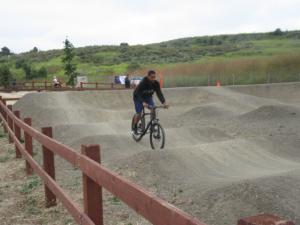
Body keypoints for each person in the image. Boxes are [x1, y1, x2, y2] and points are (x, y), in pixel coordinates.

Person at [132, 70, 169, 134]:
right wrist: (143, 102)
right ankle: (135, 127)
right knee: (139, 113)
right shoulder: (143, 83)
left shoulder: (156, 83)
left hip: (148, 97)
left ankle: (153, 125)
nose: (153, 79)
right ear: (148, 76)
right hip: (138, 97)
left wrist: (164, 103)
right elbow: (138, 93)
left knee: (153, 108)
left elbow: (159, 93)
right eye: (152, 77)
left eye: (154, 77)